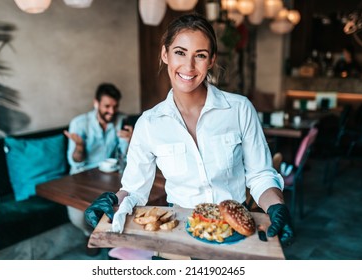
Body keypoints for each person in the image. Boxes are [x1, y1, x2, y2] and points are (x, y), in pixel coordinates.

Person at [85, 14, 294, 249]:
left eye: (200, 55)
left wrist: (277, 206)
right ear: (165, 54)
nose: (189, 66)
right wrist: (112, 203)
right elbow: (134, 190)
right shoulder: (149, 123)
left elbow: (260, 175)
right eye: (180, 52)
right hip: (179, 233)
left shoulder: (239, 109)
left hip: (234, 232)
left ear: (212, 60)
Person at [64, 83, 133, 237]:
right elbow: (75, 162)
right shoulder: (79, 124)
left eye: (115, 106)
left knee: (124, 204)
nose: (111, 111)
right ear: (96, 103)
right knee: (78, 218)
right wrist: (80, 146)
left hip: (110, 176)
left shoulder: (121, 119)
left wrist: (129, 141)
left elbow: (124, 155)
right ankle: (94, 236)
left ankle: (110, 240)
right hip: (82, 177)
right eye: (107, 106)